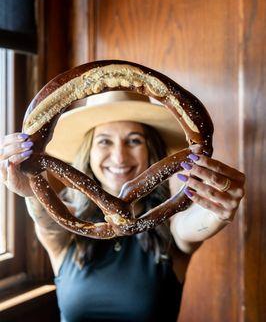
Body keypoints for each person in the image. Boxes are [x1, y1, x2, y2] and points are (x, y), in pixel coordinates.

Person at [0, 91, 245, 322]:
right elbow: (48, 221)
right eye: (105, 141)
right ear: (89, 152)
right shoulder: (69, 222)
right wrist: (31, 190)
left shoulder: (170, 222)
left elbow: (193, 224)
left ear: (151, 151)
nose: (119, 157)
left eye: (134, 141)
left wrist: (216, 212)